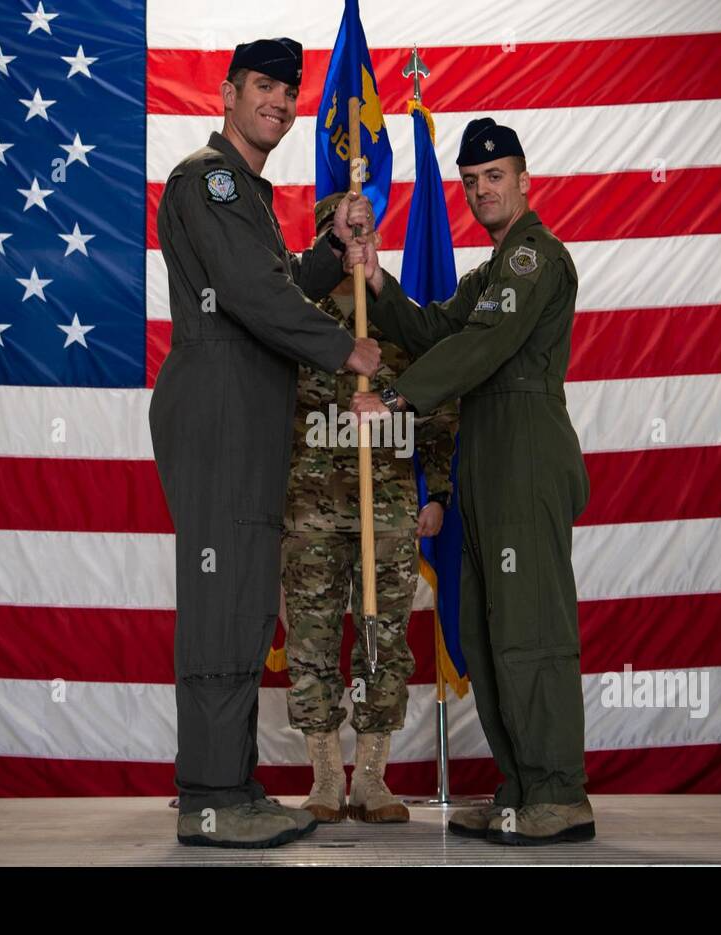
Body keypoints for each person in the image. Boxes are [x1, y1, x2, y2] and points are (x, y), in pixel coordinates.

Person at [151, 37, 381, 849]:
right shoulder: (207, 181)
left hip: (242, 417)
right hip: (218, 414)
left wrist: (332, 250)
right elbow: (251, 294)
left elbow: (273, 274)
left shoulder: (247, 192)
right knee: (223, 604)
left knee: (246, 604)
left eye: (289, 91)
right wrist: (341, 346)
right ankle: (210, 797)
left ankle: (232, 783)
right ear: (227, 93)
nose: (279, 102)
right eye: (263, 87)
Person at [350, 118, 595, 845]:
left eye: (495, 176)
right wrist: (378, 284)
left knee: (532, 628)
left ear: (524, 180)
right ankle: (522, 788)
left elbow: (484, 344)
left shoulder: (534, 259)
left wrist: (397, 399)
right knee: (488, 629)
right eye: (470, 180)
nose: (482, 189)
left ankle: (559, 791)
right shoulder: (489, 274)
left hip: (524, 452)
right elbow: (434, 330)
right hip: (485, 455)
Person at [283, 193, 458, 824]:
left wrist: (436, 493)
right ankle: (327, 776)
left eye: (368, 230)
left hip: (387, 511)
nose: (361, 241)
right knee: (311, 642)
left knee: (383, 642)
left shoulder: (399, 316)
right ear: (330, 236)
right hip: (309, 511)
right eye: (348, 231)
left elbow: (438, 408)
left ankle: (372, 780)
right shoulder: (295, 316)